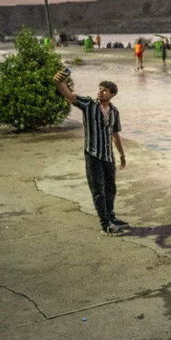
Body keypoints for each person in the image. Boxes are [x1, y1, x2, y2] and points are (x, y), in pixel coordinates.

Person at [53, 71, 129, 235]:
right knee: (98, 190)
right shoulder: (89, 104)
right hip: (93, 154)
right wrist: (60, 83)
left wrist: (122, 154)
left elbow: (115, 135)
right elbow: (70, 96)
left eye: (105, 90)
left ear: (112, 94)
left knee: (111, 189)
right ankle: (105, 225)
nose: (100, 91)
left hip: (108, 156)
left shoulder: (114, 112)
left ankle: (111, 217)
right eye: (100, 88)